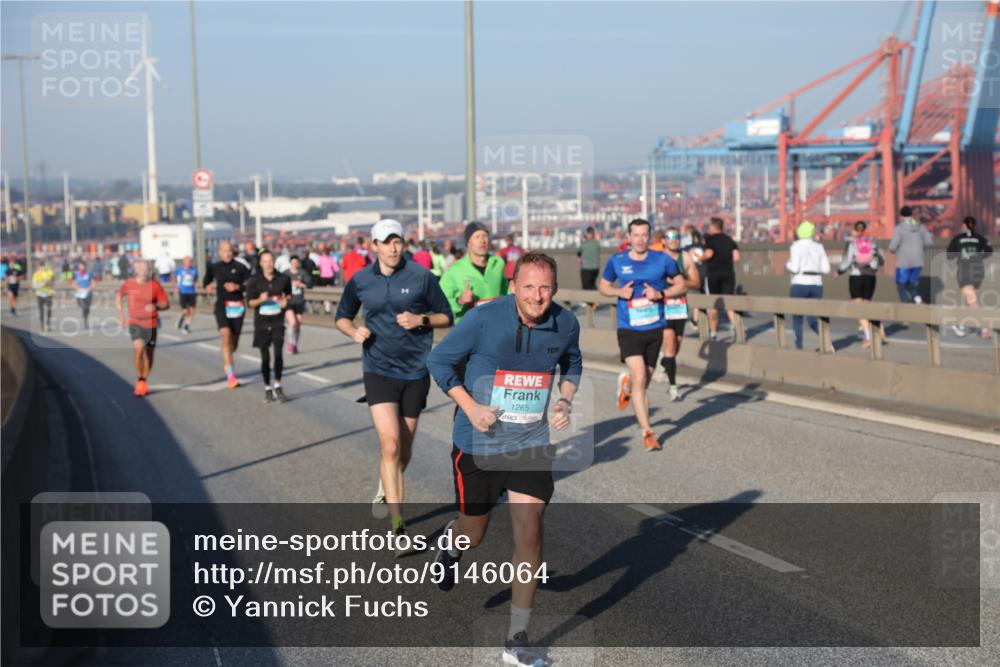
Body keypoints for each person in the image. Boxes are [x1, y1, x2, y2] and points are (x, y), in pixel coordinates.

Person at [426, 252, 581, 667]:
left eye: (545, 287)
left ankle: (516, 637)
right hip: (479, 443)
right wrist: (470, 407)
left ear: (555, 289)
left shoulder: (565, 322)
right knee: (473, 533)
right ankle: (451, 544)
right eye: (528, 287)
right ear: (514, 286)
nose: (537, 296)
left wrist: (564, 399)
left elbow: (573, 361)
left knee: (529, 532)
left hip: (530, 442)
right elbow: (438, 361)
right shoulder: (483, 319)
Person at [334, 219, 453, 551]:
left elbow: (446, 315)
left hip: (415, 371)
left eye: (397, 241)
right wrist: (353, 331)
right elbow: (342, 316)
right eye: (385, 242)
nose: (392, 247)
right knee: (389, 446)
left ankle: (386, 484)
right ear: (374, 246)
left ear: (404, 243)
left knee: (404, 451)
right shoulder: (360, 281)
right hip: (378, 370)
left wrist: (422, 319)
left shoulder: (421, 277)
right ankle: (398, 530)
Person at [599, 219, 686, 451]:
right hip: (628, 327)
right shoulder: (617, 261)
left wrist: (661, 292)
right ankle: (648, 432)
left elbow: (681, 285)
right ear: (628, 236)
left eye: (644, 235)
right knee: (640, 377)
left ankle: (626, 386)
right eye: (635, 234)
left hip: (654, 327)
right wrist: (618, 291)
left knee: (643, 382)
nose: (639, 239)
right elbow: (603, 286)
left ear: (650, 237)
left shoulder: (663, 260)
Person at [654, 226, 701, 399]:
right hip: (662, 306)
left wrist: (680, 284)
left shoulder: (685, 257)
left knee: (676, 346)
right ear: (663, 240)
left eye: (677, 237)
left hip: (680, 305)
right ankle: (674, 388)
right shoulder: (657, 258)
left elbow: (696, 282)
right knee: (669, 344)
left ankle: (664, 361)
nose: (674, 240)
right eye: (670, 237)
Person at [116, 260, 169, 396]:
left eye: (147, 270)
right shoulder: (129, 284)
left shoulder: (155, 286)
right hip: (135, 321)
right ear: (136, 271)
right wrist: (121, 315)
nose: (145, 272)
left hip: (151, 323)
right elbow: (118, 297)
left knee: (149, 354)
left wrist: (156, 306)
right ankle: (140, 380)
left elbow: (165, 304)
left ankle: (144, 379)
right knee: (138, 349)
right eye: (142, 269)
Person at [203, 241, 252, 389]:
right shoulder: (215, 267)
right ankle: (231, 374)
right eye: (224, 251)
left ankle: (227, 357)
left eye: (229, 251)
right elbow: (206, 280)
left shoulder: (240, 267)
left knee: (233, 344)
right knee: (226, 336)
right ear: (219, 252)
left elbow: (251, 284)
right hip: (222, 306)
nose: (227, 254)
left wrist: (238, 287)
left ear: (233, 251)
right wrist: (208, 285)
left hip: (237, 307)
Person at [439, 221, 508, 324]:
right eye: (477, 237)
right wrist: (459, 301)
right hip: (468, 331)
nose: (482, 240)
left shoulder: (498, 263)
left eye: (484, 236)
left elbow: (507, 292)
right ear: (468, 242)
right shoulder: (454, 270)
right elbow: (440, 303)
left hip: (495, 328)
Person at [247, 250, 292, 402]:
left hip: (278, 322)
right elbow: (250, 303)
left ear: (274, 262)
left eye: (270, 261)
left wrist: (286, 302)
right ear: (261, 263)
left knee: (278, 355)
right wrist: (260, 299)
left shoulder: (283, 278)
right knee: (265, 358)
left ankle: (278, 385)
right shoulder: (254, 281)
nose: (268, 264)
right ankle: (267, 387)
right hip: (261, 324)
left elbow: (289, 295)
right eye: (265, 261)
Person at [837, 220, 885, 347]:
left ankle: (869, 337)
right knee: (867, 305)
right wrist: (872, 266)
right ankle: (878, 326)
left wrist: (839, 272)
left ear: (855, 229)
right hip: (871, 276)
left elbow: (847, 260)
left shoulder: (852, 242)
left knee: (857, 308)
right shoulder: (873, 241)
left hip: (856, 276)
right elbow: (881, 259)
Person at [785, 221, 831, 351]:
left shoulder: (795, 246)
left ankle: (799, 347)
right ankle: (827, 343)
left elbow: (794, 268)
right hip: (816, 284)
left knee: (797, 318)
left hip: (800, 283)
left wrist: (787, 264)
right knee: (813, 319)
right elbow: (826, 269)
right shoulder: (819, 247)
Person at [946, 216, 994, 339]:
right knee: (970, 299)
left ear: (964, 225)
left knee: (972, 301)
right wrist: (977, 256)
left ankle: (984, 327)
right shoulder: (980, 238)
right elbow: (989, 251)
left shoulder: (958, 238)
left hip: (964, 271)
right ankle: (965, 325)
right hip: (978, 271)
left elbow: (949, 256)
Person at [701, 217, 740, 341]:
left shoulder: (710, 239)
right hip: (728, 274)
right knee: (729, 302)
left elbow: (709, 254)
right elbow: (736, 257)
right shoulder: (729, 240)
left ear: (713, 227)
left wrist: (699, 258)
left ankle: (713, 333)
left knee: (713, 303)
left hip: (713, 274)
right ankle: (735, 328)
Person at [888, 206, 932, 304]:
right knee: (911, 285)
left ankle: (905, 306)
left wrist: (892, 250)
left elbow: (893, 246)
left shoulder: (899, 228)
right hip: (918, 261)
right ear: (911, 214)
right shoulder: (921, 227)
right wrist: (920, 249)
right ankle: (918, 300)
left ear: (901, 215)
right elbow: (929, 242)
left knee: (901, 285)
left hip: (904, 262)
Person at [284, 255, 312, 354]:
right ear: (290, 263)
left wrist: (301, 284)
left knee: (298, 324)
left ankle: (295, 343)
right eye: (293, 263)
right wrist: (290, 284)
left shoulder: (302, 272)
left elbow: (310, 284)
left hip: (299, 301)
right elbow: (280, 285)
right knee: (292, 323)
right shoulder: (286, 273)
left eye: (296, 262)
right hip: (289, 302)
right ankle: (290, 343)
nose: (295, 264)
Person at [174, 256, 199, 334]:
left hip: (192, 292)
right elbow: (175, 279)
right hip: (183, 291)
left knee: (192, 310)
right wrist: (176, 287)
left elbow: (196, 279)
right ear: (184, 262)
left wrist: (196, 284)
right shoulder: (179, 270)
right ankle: (181, 318)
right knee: (185, 311)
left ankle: (186, 326)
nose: (189, 263)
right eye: (187, 261)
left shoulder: (194, 270)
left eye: (190, 261)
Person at [32, 261, 56, 332]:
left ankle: (48, 323)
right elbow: (34, 285)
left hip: (48, 293)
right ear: (38, 267)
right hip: (40, 293)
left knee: (49, 309)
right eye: (41, 267)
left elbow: (53, 280)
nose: (42, 268)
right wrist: (43, 283)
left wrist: (50, 280)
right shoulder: (36, 274)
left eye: (43, 267)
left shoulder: (49, 273)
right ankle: (42, 324)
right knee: (41, 310)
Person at [577, 226, 601, 291]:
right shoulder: (597, 243)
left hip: (586, 268)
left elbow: (579, 252)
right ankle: (595, 300)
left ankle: (592, 300)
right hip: (595, 268)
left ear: (587, 233)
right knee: (592, 285)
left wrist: (583, 239)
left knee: (586, 287)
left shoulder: (584, 243)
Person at [72, 261, 94, 329]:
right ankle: (85, 320)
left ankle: (86, 317)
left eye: (82, 266)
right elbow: (73, 283)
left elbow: (93, 282)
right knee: (83, 307)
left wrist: (89, 288)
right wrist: (78, 288)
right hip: (80, 293)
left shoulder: (89, 273)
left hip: (88, 293)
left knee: (87, 308)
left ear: (85, 266)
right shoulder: (76, 274)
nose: (81, 267)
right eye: (80, 266)